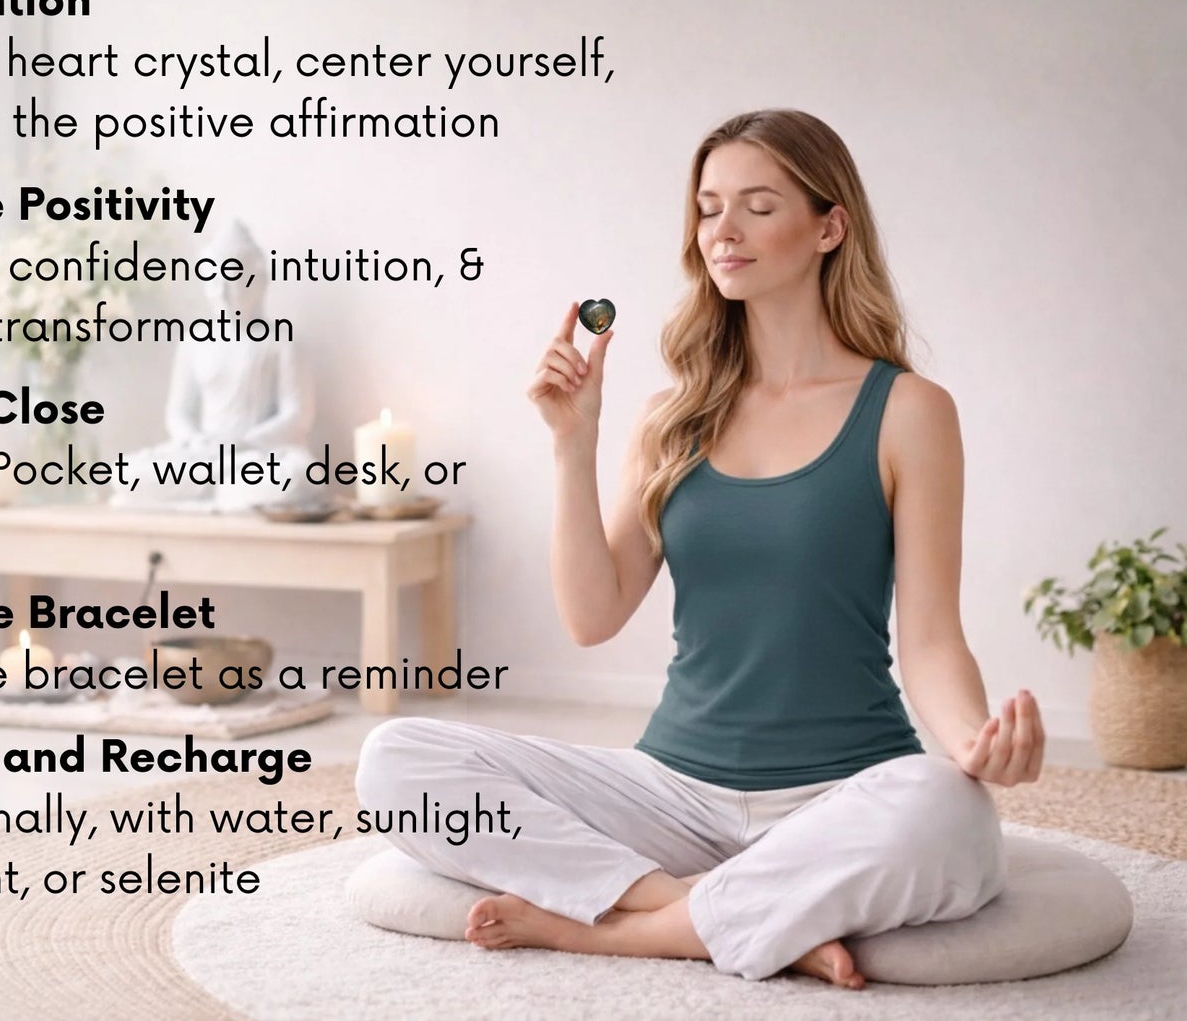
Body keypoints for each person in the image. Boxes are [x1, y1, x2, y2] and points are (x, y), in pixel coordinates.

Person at [353, 108, 1048, 989]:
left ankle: (609, 930)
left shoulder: (909, 411)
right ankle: (701, 904)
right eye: (709, 206)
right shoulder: (671, 418)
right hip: (669, 791)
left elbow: (931, 638)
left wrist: (971, 742)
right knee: (398, 757)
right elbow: (591, 615)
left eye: (758, 205)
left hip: (840, 790)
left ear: (829, 226)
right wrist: (573, 443)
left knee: (950, 811)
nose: (723, 229)